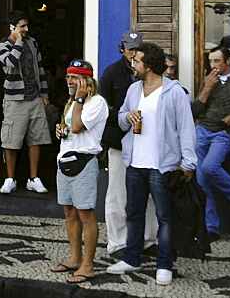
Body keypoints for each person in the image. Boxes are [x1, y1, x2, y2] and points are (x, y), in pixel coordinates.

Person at [108, 42, 196, 286]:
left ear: (148, 66)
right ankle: (131, 257)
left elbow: (186, 129)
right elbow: (122, 117)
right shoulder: (134, 89)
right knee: (134, 212)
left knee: (164, 217)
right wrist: (126, 116)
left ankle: (165, 264)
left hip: (163, 165)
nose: (132, 64)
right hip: (135, 162)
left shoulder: (175, 92)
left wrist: (188, 163)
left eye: (136, 60)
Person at [99, 29, 157, 256]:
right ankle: (118, 242)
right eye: (130, 49)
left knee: (149, 194)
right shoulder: (112, 73)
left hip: (146, 142)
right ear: (122, 49)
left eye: (137, 49)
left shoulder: (148, 73)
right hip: (119, 142)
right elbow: (102, 108)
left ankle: (148, 240)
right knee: (117, 194)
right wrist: (124, 116)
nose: (133, 53)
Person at [52, 60, 107, 285]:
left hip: (84, 162)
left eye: (74, 77)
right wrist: (60, 130)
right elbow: (70, 130)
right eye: (68, 77)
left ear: (86, 80)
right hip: (65, 159)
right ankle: (76, 257)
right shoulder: (73, 102)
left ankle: (88, 265)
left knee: (86, 213)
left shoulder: (96, 102)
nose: (69, 81)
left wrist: (78, 101)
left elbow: (77, 126)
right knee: (69, 211)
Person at [191, 46, 230, 240]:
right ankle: (211, 228)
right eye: (211, 61)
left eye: (217, 61)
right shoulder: (208, 80)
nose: (213, 66)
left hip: (225, 133)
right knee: (201, 182)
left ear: (228, 61)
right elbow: (195, 110)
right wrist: (207, 87)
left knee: (210, 167)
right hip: (203, 130)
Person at [0, 10, 50, 194]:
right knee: (11, 140)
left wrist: (44, 93)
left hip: (34, 97)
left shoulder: (32, 43)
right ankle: (10, 178)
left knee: (37, 138)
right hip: (15, 99)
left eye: (27, 25)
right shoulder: (3, 45)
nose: (26, 29)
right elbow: (10, 62)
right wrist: (17, 41)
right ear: (13, 27)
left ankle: (33, 178)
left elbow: (39, 68)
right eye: (22, 26)